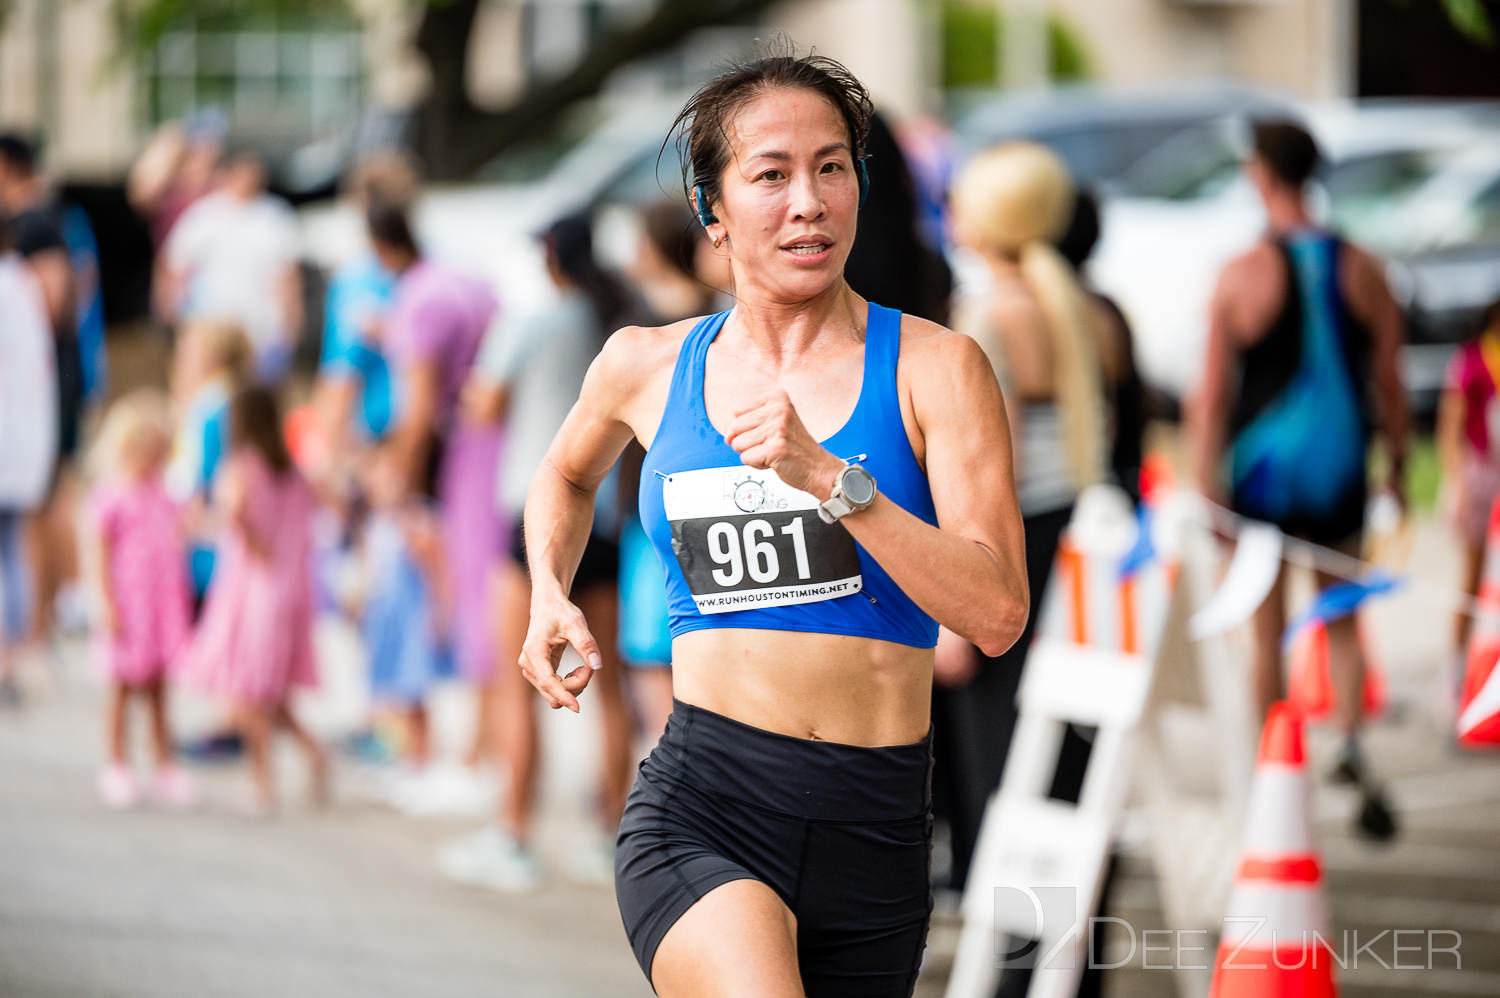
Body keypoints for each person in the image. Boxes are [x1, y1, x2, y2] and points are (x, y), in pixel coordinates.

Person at [514, 52, 1027, 996]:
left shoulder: (938, 369)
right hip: (704, 808)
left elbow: (995, 612)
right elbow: (562, 473)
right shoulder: (644, 364)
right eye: (772, 174)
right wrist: (548, 589)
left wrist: (831, 479)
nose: (809, 202)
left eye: (832, 168)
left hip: (876, 829)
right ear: (712, 210)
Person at [1188, 119, 1408, 817]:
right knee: (1342, 614)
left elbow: (1210, 393)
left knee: (1265, 631)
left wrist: (1204, 485)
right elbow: (1391, 382)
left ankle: (1273, 768)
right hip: (1340, 467)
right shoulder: (1364, 267)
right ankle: (1351, 743)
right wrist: (1398, 468)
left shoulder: (1241, 272)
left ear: (1261, 173)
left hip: (1263, 472)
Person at [440, 213, 635, 889]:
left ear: (549, 258)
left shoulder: (533, 321)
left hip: (538, 515)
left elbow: (484, 405)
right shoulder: (613, 323)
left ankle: (514, 834)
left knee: (517, 680)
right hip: (604, 516)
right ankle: (607, 833)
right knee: (610, 687)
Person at [939, 141, 1107, 892]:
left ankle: (1016, 936)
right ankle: (1073, 930)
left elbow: (988, 468)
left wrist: (954, 614)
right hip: (1083, 540)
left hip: (1012, 547)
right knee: (1075, 751)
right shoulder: (1088, 311)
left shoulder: (988, 315)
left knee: (1003, 757)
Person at [366, 198, 504, 793]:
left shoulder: (420, 299)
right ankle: (479, 752)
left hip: (471, 457)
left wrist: (399, 481)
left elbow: (418, 407)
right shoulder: (464, 282)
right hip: (496, 448)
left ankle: (478, 759)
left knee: (480, 607)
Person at [176, 385, 326, 814]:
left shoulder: (241, 468)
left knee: (247, 694)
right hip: (290, 592)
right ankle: (314, 756)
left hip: (252, 593)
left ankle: (262, 781)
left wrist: (195, 524)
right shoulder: (295, 474)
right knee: (270, 695)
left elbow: (235, 519)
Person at [87, 390, 196, 810]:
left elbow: (183, 535)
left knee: (159, 693)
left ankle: (165, 764)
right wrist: (106, 603)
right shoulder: (111, 497)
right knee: (121, 690)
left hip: (160, 609)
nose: (155, 464)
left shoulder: (166, 496)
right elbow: (98, 554)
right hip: (128, 608)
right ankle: (117, 764)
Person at [0, 132, 83, 649]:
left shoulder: (35, 223)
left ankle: (39, 624)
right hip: (38, 387)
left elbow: (55, 303)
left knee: (42, 504)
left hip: (41, 389)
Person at [161, 150, 302, 382]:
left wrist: (291, 328)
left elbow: (287, 279)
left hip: (261, 332)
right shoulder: (203, 216)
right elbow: (176, 268)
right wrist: (176, 319)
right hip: (213, 329)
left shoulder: (275, 217)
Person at [0, 214, 58, 706]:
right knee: (15, 548)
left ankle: (7, 657)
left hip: (10, 436)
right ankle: (22, 650)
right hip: (26, 439)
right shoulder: (25, 286)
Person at [1437, 299, 1500, 692]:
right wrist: (1457, 482)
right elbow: (1451, 428)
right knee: (1471, 577)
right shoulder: (1472, 360)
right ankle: (1455, 668)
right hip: (1478, 476)